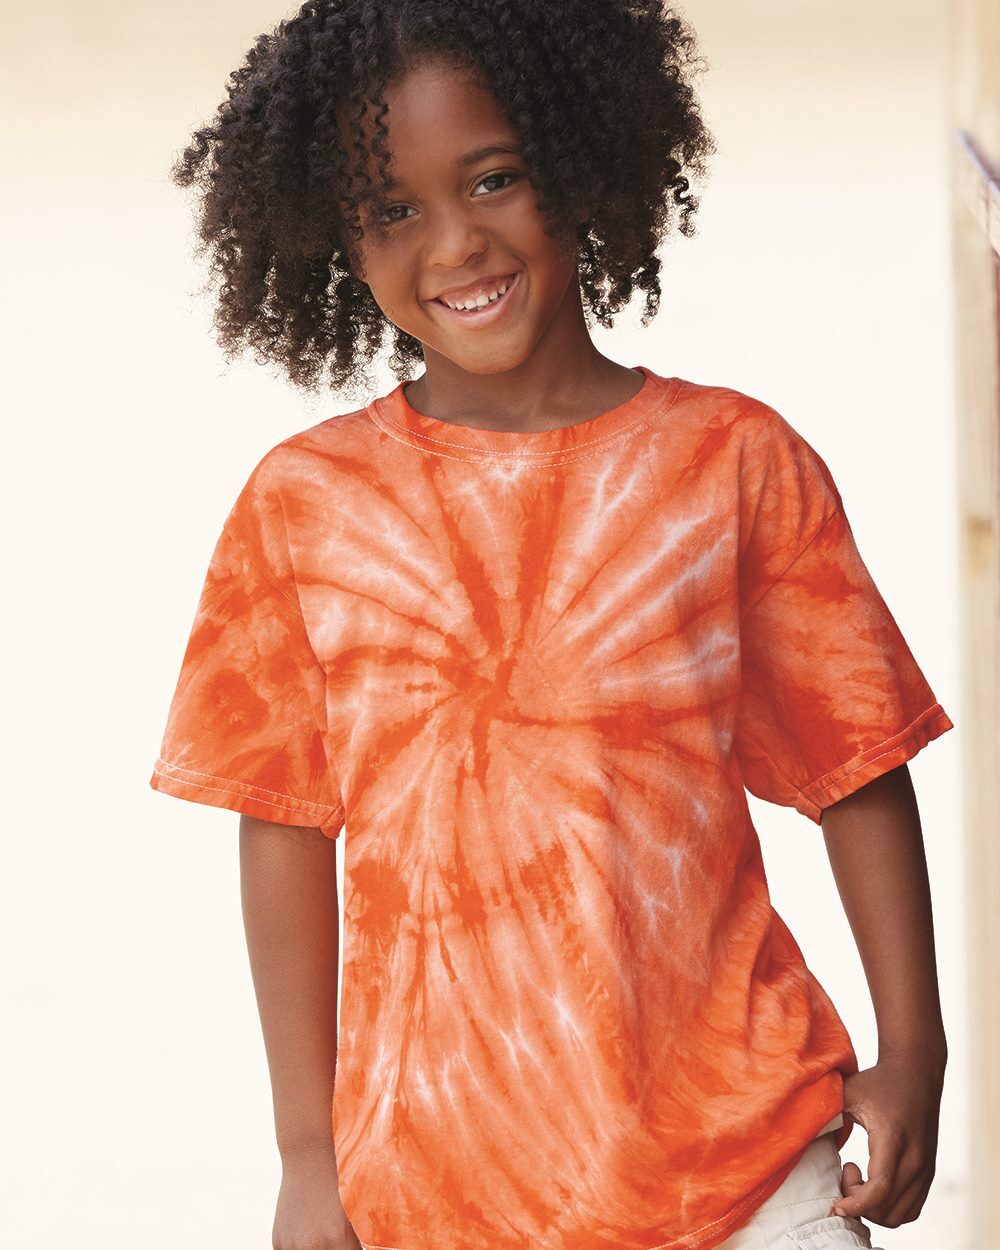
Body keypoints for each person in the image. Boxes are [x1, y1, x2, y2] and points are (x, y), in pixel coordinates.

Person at [149, 3, 954, 1248]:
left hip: (747, 1165)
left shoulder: (730, 459)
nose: (456, 242)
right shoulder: (304, 503)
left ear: (579, 166)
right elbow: (283, 830)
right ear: (334, 239)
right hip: (439, 1186)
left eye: (495, 178)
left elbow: (857, 767)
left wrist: (916, 1049)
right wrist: (308, 1152)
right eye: (392, 208)